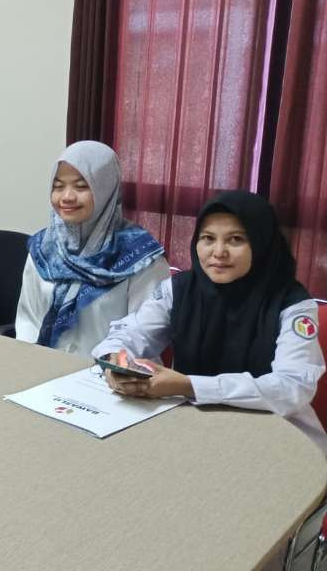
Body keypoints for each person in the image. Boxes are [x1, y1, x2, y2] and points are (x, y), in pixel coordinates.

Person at [93, 191, 327, 455]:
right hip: (196, 430)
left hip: (280, 440)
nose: (218, 252)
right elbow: (129, 334)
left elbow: (292, 387)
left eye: (236, 239)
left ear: (262, 243)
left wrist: (190, 386)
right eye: (208, 238)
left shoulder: (293, 304)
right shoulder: (179, 289)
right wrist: (114, 363)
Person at [16, 141, 169, 354]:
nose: (67, 197)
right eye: (58, 186)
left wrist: (108, 369)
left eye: (81, 186)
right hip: (42, 371)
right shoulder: (44, 249)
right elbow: (28, 319)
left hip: (111, 377)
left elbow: (145, 334)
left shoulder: (140, 257)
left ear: (106, 188)